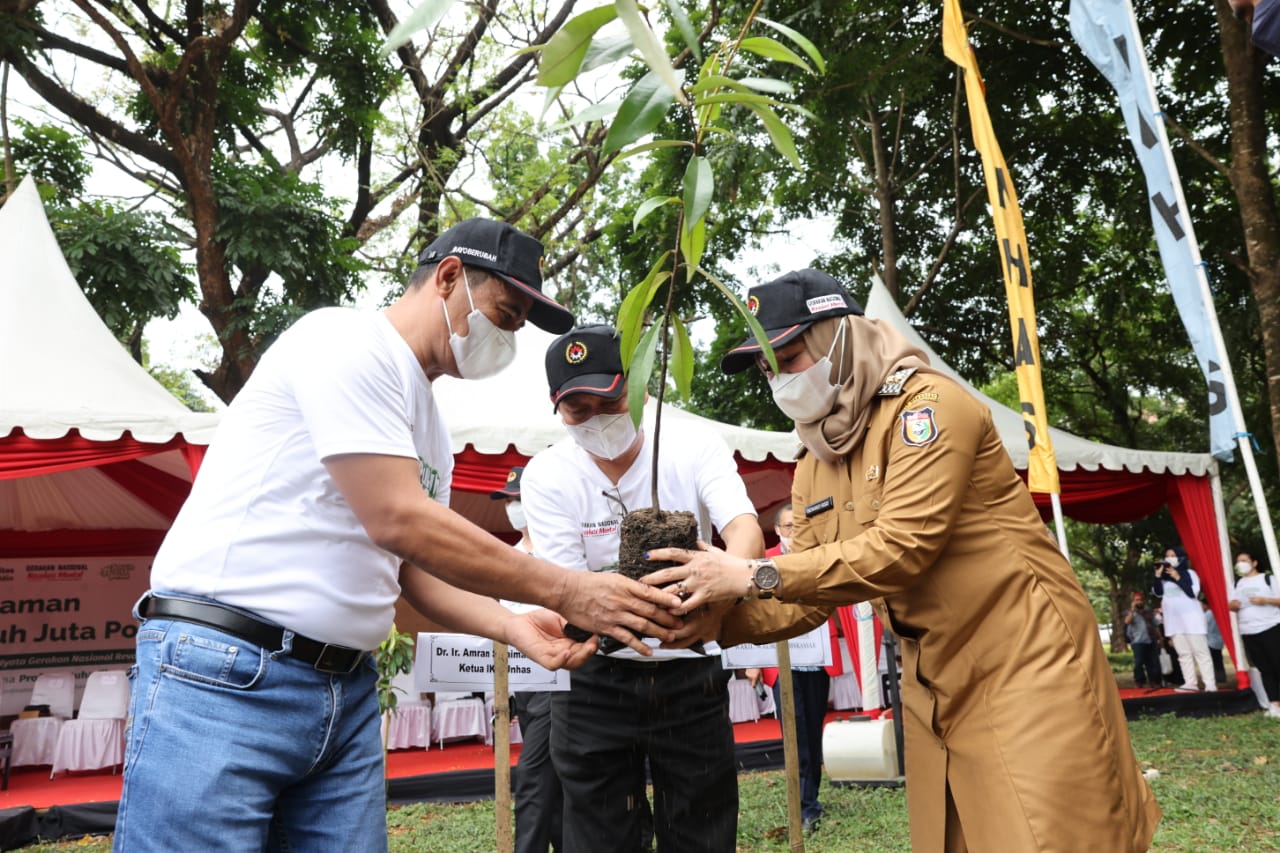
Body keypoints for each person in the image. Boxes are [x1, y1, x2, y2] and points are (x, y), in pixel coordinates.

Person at [114, 220, 683, 853]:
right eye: (506, 313)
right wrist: (569, 590)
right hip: (229, 672)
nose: (509, 336)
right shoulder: (346, 341)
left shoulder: (430, 426)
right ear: (448, 277)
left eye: (520, 325)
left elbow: (412, 580)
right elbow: (399, 519)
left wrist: (514, 626)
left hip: (342, 688)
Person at [642, 269, 1160, 852]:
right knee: (956, 837)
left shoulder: (930, 407)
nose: (778, 379)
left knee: (1049, 834)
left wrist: (750, 573)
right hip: (930, 672)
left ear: (839, 336)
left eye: (787, 357)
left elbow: (903, 547)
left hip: (1022, 655)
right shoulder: (815, 456)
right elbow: (811, 597)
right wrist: (711, 625)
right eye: (766, 367)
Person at [520, 323, 764, 853]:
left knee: (702, 829)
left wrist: (726, 582)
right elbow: (569, 591)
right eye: (577, 409)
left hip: (689, 669)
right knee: (599, 836)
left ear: (639, 386)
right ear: (556, 408)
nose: (596, 420)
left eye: (609, 401)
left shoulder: (692, 444)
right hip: (593, 684)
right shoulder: (547, 474)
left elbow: (744, 529)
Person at [492, 465, 564, 853]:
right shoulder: (508, 557)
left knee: (533, 775)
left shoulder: (560, 550)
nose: (513, 508)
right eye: (507, 502)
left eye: (518, 499)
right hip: (524, 686)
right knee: (552, 777)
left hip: (561, 680)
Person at [758, 503, 830, 834]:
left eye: (797, 527)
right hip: (781, 662)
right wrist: (754, 664)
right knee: (796, 733)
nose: (792, 533)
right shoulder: (763, 561)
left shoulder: (815, 557)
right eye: (787, 527)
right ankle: (803, 806)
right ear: (776, 530)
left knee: (813, 732)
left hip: (815, 660)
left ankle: (811, 796)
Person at [1152, 546, 1217, 693]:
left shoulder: (1190, 574)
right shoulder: (1164, 578)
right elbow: (1157, 593)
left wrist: (1177, 577)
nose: (1168, 558)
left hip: (1192, 621)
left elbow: (1193, 592)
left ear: (1181, 558)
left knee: (1201, 652)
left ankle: (1210, 684)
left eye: (1172, 555)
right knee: (1183, 654)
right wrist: (1157, 576)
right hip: (1174, 622)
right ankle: (1190, 683)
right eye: (1166, 556)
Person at [1228, 550, 1280, 718]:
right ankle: (1274, 704)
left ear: (1254, 563)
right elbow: (1232, 605)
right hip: (1248, 630)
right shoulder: (1238, 583)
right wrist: (1233, 605)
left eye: (1243, 560)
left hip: (1270, 627)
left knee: (1277, 664)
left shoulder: (1268, 579)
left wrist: (1265, 600)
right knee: (1264, 668)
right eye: (1238, 561)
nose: (1240, 564)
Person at [1125, 591, 1161, 690]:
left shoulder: (1148, 611)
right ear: (1133, 601)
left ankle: (1154, 681)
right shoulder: (1130, 612)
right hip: (1138, 641)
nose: (1139, 602)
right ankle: (1139, 681)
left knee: (1153, 662)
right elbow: (1127, 621)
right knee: (1139, 663)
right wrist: (1132, 610)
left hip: (1151, 639)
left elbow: (1156, 624)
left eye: (1140, 600)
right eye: (1137, 600)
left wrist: (1160, 638)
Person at [1202, 599, 1228, 686]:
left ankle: (1214, 678)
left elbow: (1203, 626)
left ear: (1206, 605)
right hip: (1219, 641)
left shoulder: (1207, 614)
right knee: (1219, 661)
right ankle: (1221, 677)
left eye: (1202, 605)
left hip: (1210, 641)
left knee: (1211, 662)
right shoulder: (1217, 613)